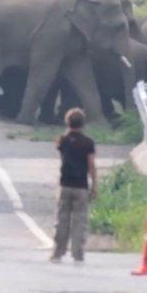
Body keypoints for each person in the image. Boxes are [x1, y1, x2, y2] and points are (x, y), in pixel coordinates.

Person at [49, 108, 97, 263]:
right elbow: (91, 165)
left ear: (67, 122)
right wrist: (94, 185)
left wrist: (67, 130)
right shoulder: (88, 143)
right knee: (79, 221)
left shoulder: (62, 140)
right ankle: (78, 253)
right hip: (81, 186)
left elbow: (60, 147)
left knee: (62, 220)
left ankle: (58, 252)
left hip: (65, 185)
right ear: (83, 124)